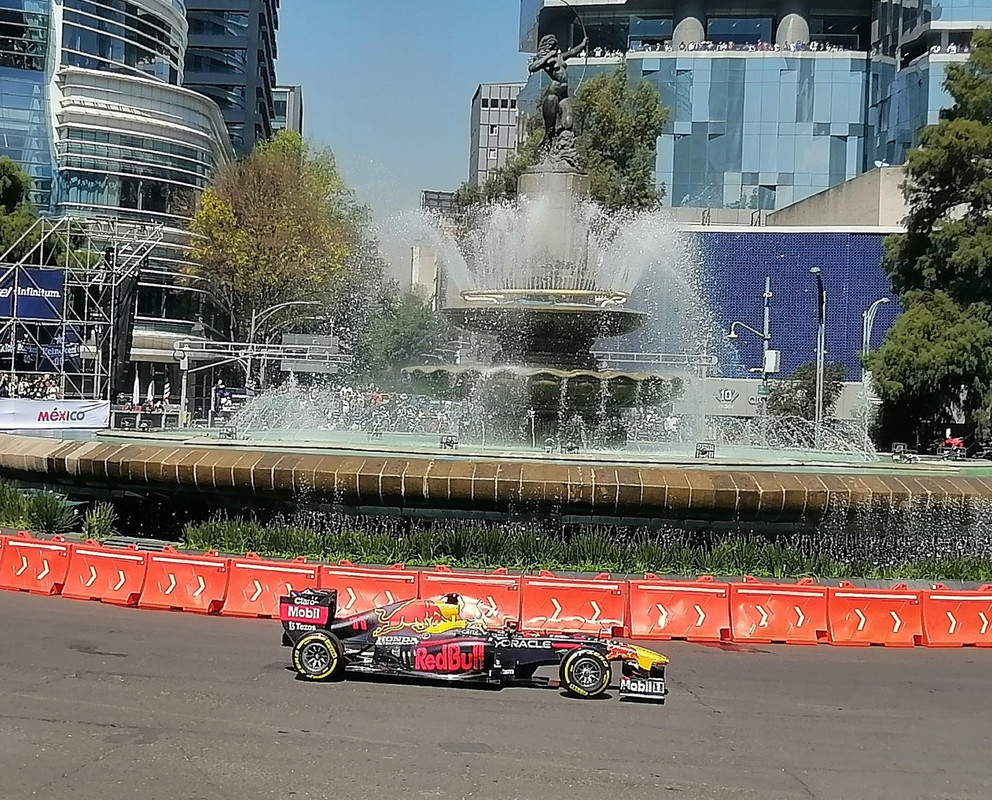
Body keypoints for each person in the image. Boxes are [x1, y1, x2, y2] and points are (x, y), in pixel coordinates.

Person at [528, 33, 588, 152]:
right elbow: (532, 67)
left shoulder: (560, 57)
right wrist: (547, 56)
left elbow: (572, 52)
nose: (556, 48)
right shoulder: (545, 60)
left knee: (568, 122)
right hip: (553, 93)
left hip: (564, 95)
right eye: (553, 46)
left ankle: (563, 145)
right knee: (550, 127)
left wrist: (582, 44)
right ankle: (549, 140)